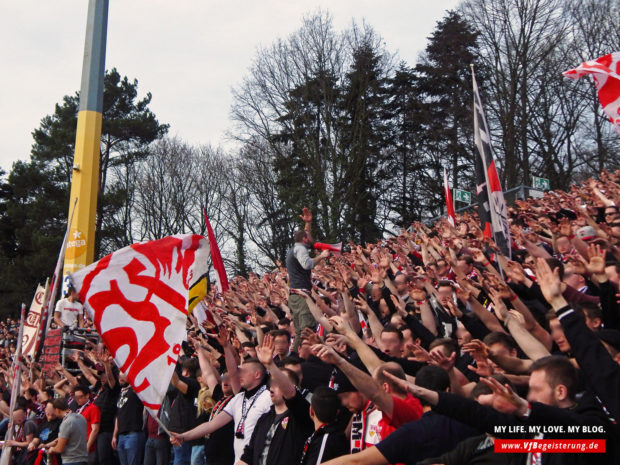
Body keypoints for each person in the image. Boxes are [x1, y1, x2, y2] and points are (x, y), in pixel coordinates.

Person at [170, 359, 272, 464]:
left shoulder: (268, 398)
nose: (238, 375)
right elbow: (211, 425)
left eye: (243, 371)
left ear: (257, 374)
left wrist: (226, 347)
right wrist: (183, 436)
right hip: (237, 460)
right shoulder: (238, 398)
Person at [237, 334, 314, 465]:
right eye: (272, 381)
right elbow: (248, 456)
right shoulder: (264, 418)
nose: (272, 386)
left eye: (278, 382)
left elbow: (291, 395)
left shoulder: (301, 416)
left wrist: (270, 365)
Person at [286, 207, 330, 350]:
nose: (312, 241)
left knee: (300, 332)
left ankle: (294, 357)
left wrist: (308, 224)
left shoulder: (294, 248)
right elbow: (308, 264)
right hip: (302, 295)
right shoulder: (300, 249)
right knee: (306, 331)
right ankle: (298, 359)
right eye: (308, 237)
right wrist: (322, 256)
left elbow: (306, 237)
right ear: (304, 239)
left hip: (295, 295)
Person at [169, 359, 201, 465]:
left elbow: (176, 381)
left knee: (181, 461)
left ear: (186, 371)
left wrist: (169, 361)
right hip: (180, 433)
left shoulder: (193, 383)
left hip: (183, 433)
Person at [112, 373, 145, 465]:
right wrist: (115, 436)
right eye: (119, 375)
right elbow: (119, 415)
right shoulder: (121, 393)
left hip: (134, 433)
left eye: (124, 375)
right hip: (121, 435)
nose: (120, 378)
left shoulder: (136, 390)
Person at [47, 398, 88, 465]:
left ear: (57, 410)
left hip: (71, 460)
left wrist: (52, 449)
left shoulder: (66, 423)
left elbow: (59, 449)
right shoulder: (81, 417)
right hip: (84, 459)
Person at [73, 385, 100, 465]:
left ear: (87, 395)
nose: (77, 399)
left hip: (88, 448)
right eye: (76, 397)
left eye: (80, 397)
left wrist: (87, 447)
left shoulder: (93, 408)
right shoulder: (79, 410)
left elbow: (95, 429)